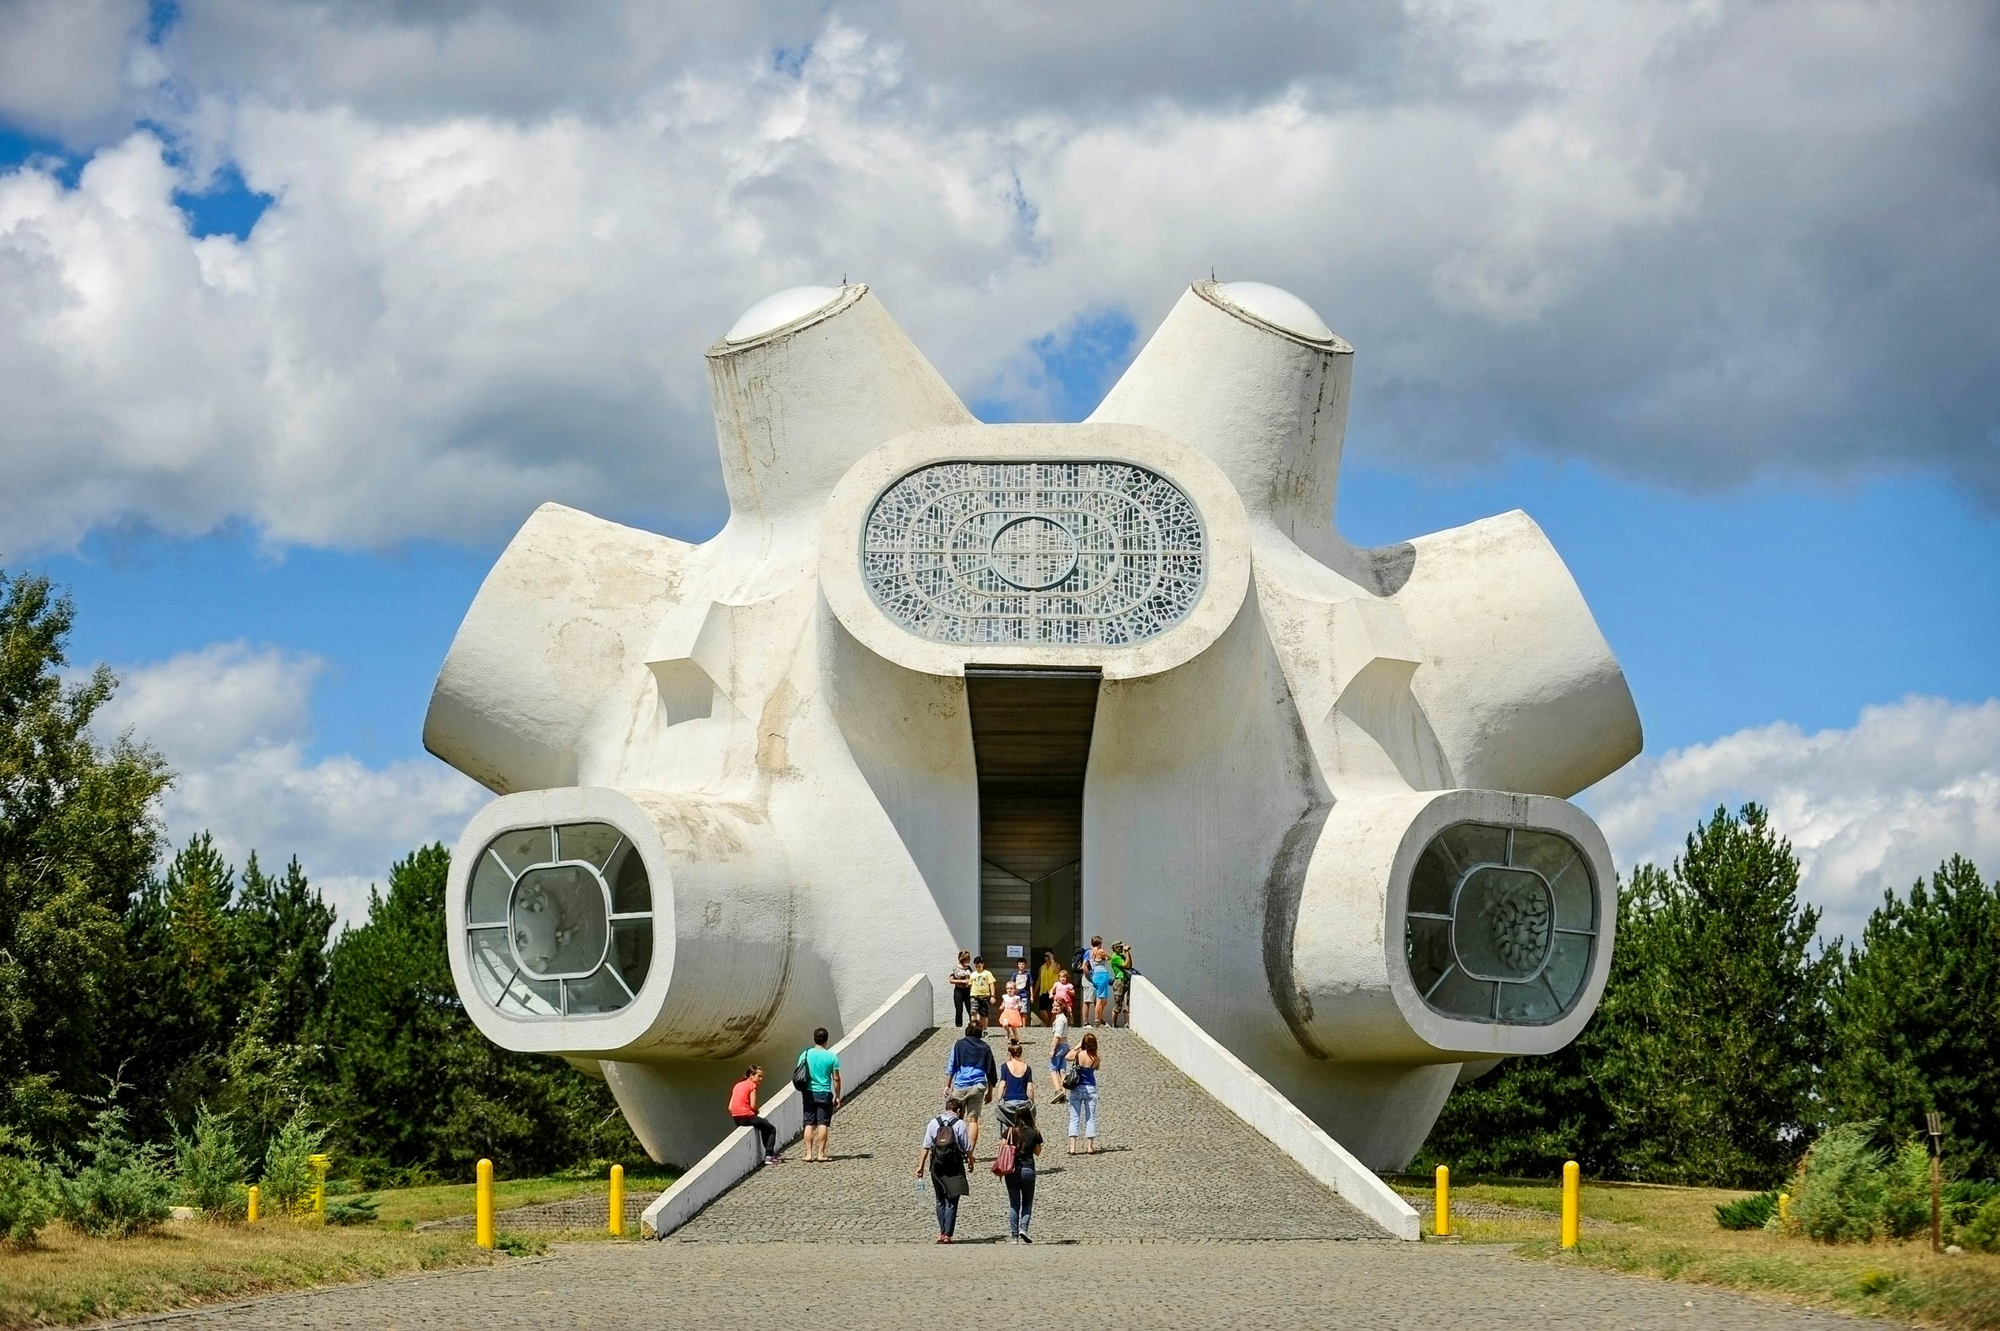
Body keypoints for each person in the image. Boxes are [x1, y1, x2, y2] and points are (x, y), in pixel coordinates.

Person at [917, 1094, 973, 1243]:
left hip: (937, 1165)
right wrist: (971, 1161)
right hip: (954, 1166)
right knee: (952, 1199)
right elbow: (967, 1146)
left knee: (940, 1199)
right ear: (959, 1110)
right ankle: (948, 1234)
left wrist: (920, 1166)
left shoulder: (933, 1123)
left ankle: (942, 1233)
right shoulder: (959, 1124)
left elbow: (926, 1146)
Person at [943, 1019, 998, 1158]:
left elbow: (952, 1066)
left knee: (955, 1118)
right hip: (978, 1087)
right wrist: (990, 1092)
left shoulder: (959, 1045)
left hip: (961, 1085)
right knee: (973, 1120)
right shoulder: (985, 1047)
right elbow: (990, 1071)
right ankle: (970, 1153)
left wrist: (947, 1086)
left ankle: (955, 1149)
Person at [999, 1104, 1044, 1243]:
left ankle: (1014, 1236)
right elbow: (1038, 1152)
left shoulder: (1009, 1132)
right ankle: (1023, 1228)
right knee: (1027, 1202)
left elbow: (1001, 1149)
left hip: (1011, 1170)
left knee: (1014, 1203)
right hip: (1028, 1170)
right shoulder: (1034, 1132)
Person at [798, 1026, 842, 1162]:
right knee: (823, 1123)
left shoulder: (805, 1054)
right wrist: (838, 1095)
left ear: (814, 1039)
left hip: (809, 1092)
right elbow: (836, 1078)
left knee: (809, 1123)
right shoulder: (832, 1057)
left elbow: (799, 1071)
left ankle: (809, 1154)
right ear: (826, 1040)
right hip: (824, 1092)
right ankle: (821, 1154)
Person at [727, 1064, 783, 1165]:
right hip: (747, 1116)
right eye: (759, 1076)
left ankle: (769, 1153)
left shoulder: (737, 1085)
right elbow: (752, 1106)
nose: (760, 1079)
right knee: (771, 1129)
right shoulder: (752, 1085)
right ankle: (769, 1156)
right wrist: (756, 1111)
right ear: (751, 1076)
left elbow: (730, 1107)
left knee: (764, 1125)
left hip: (736, 1118)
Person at [1067, 1030, 1101, 1154]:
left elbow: (1067, 1056)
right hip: (1090, 1088)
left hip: (1077, 1087)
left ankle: (1072, 1147)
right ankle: (1089, 1147)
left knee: (1074, 1117)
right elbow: (1096, 1067)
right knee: (1090, 1117)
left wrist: (1077, 1046)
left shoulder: (1079, 1054)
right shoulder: (1096, 1057)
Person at [995, 1037, 1035, 1134]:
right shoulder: (1027, 1068)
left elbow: (1003, 1084)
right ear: (1021, 1053)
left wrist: (999, 1099)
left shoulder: (1005, 1067)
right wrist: (1032, 1102)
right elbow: (1029, 1088)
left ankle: (1006, 1140)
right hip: (1023, 1101)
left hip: (1009, 1101)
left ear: (1010, 1053)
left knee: (1004, 1122)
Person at [1088, 935, 1112, 1028]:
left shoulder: (1090, 951)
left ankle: (1100, 1019)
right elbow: (1109, 958)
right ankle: (1097, 1021)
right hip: (1101, 974)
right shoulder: (1100, 951)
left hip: (1095, 974)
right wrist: (1105, 955)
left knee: (1103, 1001)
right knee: (1100, 1000)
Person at [1047, 1010, 1071, 1103]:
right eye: (1054, 1005)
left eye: (1057, 1006)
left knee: (1053, 1068)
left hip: (1059, 1046)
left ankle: (1058, 1090)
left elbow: (1057, 1036)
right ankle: (1063, 1094)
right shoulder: (1064, 1018)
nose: (1054, 1007)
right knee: (1062, 1070)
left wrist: (1053, 1049)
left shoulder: (1060, 1019)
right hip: (1065, 1045)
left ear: (1062, 1008)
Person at [1108, 940, 1133, 1027]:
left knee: (1126, 1003)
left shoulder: (1121, 956)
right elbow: (1126, 965)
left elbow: (1129, 965)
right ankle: (1114, 1024)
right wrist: (1126, 953)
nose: (1122, 948)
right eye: (1120, 947)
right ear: (1116, 948)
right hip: (1119, 981)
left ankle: (1127, 1023)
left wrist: (1127, 953)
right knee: (1117, 1004)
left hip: (1125, 980)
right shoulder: (1115, 957)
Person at [968, 956, 997, 1022]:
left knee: (984, 1014)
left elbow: (991, 984)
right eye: (976, 966)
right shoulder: (972, 974)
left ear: (983, 964)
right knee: (973, 1012)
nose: (978, 968)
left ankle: (984, 1030)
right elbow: (970, 985)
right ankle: (974, 1027)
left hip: (984, 996)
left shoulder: (987, 973)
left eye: (979, 966)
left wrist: (993, 996)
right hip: (974, 996)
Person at [948, 950, 973, 1027]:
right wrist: (962, 981)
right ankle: (958, 1026)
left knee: (970, 1009)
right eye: (966, 959)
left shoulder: (969, 968)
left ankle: (972, 1025)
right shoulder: (955, 968)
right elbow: (951, 980)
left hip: (968, 990)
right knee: (959, 1009)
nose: (968, 961)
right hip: (959, 990)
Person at [1036, 950, 1059, 1025]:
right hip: (1044, 991)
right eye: (1046, 956)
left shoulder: (1056, 965)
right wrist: (1034, 992)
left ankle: (1051, 1024)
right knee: (1042, 1009)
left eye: (1049, 956)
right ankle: (1048, 1025)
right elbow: (1039, 980)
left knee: (1053, 1009)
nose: (1047, 957)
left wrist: (1052, 960)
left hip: (1054, 991)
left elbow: (1057, 970)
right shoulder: (1042, 967)